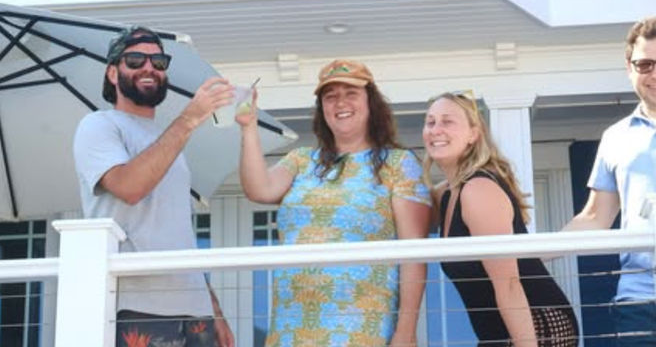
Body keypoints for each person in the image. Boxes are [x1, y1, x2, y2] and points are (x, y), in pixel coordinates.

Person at [237, 59, 432, 346]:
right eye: (330, 96)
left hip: (361, 328)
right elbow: (259, 189)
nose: (340, 102)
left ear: (371, 102)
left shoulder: (398, 164)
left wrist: (406, 332)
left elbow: (414, 255)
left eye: (351, 93)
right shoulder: (302, 160)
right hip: (291, 328)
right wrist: (248, 126)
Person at [73, 26, 235, 347]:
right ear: (112, 73)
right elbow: (129, 187)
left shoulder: (167, 142)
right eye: (135, 59)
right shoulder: (98, 126)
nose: (148, 67)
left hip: (195, 309)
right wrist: (189, 119)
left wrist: (213, 306)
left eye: (158, 62)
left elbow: (178, 233)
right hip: (137, 306)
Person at [422, 91, 578, 347]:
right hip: (498, 333)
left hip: (537, 325)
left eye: (447, 121)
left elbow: (509, 285)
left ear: (474, 134)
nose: (435, 130)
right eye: (430, 122)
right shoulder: (448, 193)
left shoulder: (478, 190)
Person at [563, 17, 656, 346]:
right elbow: (595, 217)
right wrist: (524, 252)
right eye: (645, 64)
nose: (654, 74)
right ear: (629, 69)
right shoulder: (615, 138)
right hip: (640, 304)